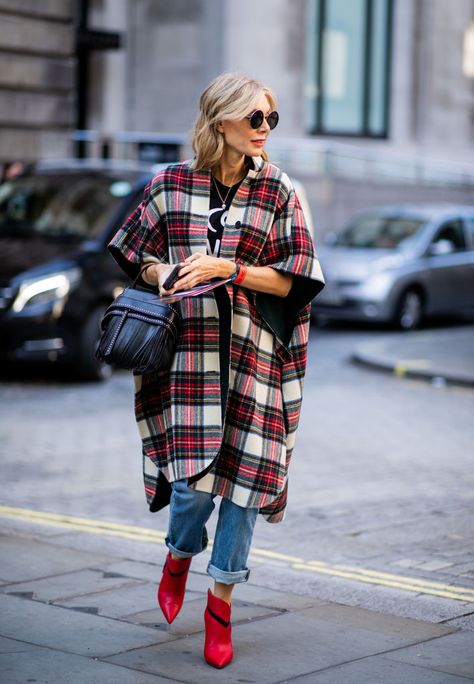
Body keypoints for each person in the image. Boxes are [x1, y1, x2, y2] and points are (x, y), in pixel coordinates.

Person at [108, 72, 325, 669]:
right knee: (191, 489)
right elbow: (135, 253)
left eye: (270, 119)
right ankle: (179, 553)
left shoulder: (279, 190)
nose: (264, 130)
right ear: (220, 121)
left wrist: (226, 269)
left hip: (255, 358)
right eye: (255, 118)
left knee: (244, 490)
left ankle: (221, 606)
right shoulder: (170, 184)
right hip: (190, 357)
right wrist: (165, 274)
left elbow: (296, 279)